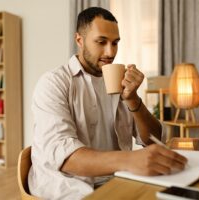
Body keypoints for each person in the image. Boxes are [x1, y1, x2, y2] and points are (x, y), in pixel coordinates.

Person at [28, 7, 187, 199]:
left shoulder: (117, 80)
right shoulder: (53, 83)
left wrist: (133, 99)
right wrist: (130, 160)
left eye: (115, 43)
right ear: (79, 40)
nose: (110, 52)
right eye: (101, 42)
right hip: (66, 185)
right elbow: (64, 156)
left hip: (114, 180)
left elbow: (153, 138)